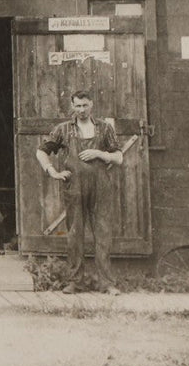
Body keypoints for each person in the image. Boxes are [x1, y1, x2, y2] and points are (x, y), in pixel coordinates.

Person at [35, 90, 125, 294]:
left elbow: (119, 157)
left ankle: (107, 283)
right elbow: (41, 151)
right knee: (75, 234)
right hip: (74, 186)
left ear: (91, 104)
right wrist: (52, 171)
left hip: (101, 186)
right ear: (72, 106)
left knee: (103, 233)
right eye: (78, 106)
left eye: (85, 105)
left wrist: (100, 153)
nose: (82, 110)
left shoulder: (104, 128)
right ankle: (76, 282)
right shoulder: (63, 130)